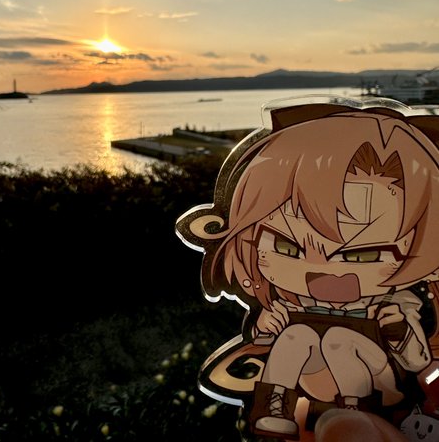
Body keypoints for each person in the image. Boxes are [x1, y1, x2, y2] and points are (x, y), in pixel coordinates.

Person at [176, 102, 439, 440]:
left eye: (363, 255)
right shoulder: (292, 305)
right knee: (296, 336)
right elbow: (266, 341)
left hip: (379, 385)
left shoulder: (394, 306)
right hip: (313, 388)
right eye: (287, 247)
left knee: (339, 341)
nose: (320, 271)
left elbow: (418, 363)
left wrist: (398, 331)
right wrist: (266, 327)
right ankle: (273, 407)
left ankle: (354, 408)